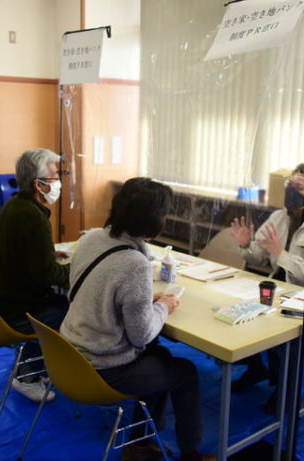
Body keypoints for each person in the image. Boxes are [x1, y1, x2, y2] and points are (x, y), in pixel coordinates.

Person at [60, 178, 214, 461]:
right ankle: (190, 454)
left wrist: (144, 299)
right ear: (154, 219)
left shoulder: (92, 237)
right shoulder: (135, 263)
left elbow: (99, 290)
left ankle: (140, 443)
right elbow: (141, 335)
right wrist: (164, 306)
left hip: (70, 355)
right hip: (104, 366)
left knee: (158, 358)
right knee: (185, 373)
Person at [229, 161, 304, 413]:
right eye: (289, 184)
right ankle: (256, 368)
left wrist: (280, 254)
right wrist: (245, 245)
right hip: (280, 288)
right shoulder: (279, 217)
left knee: (281, 330)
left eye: (298, 187)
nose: (290, 190)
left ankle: (286, 392)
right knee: (236, 311)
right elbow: (260, 257)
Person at [0, 148, 70, 403]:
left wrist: (48, 255)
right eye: (55, 176)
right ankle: (28, 377)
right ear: (39, 184)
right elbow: (49, 275)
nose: (59, 182)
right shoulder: (34, 217)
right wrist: (81, 268)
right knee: (70, 312)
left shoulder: (14, 206)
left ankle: (38, 367)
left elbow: (21, 255)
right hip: (17, 312)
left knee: (57, 305)